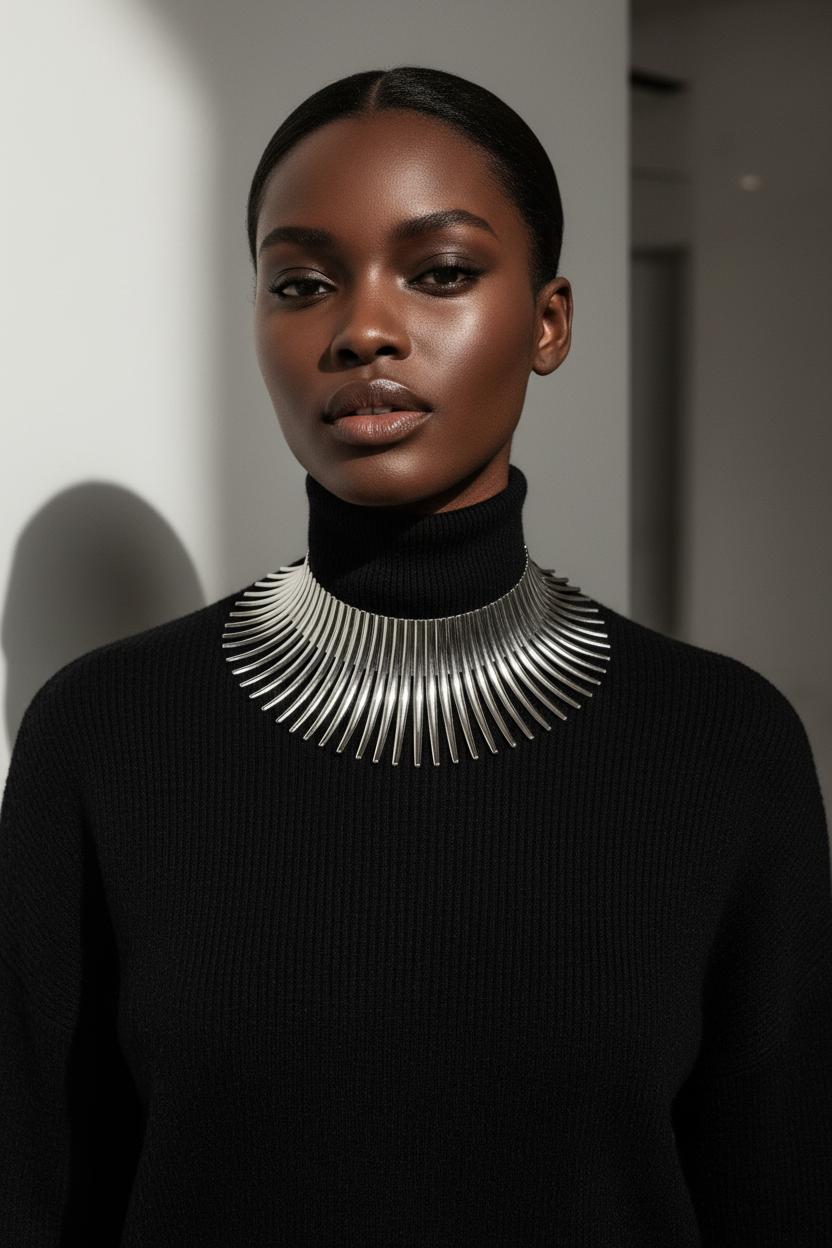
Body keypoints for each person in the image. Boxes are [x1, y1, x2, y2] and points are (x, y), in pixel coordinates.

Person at [1, 66, 830, 1247]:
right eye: (301, 283)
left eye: (440, 272)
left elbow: (780, 1196)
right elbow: (37, 1193)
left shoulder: (723, 748)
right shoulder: (101, 737)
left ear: (548, 322)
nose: (363, 330)